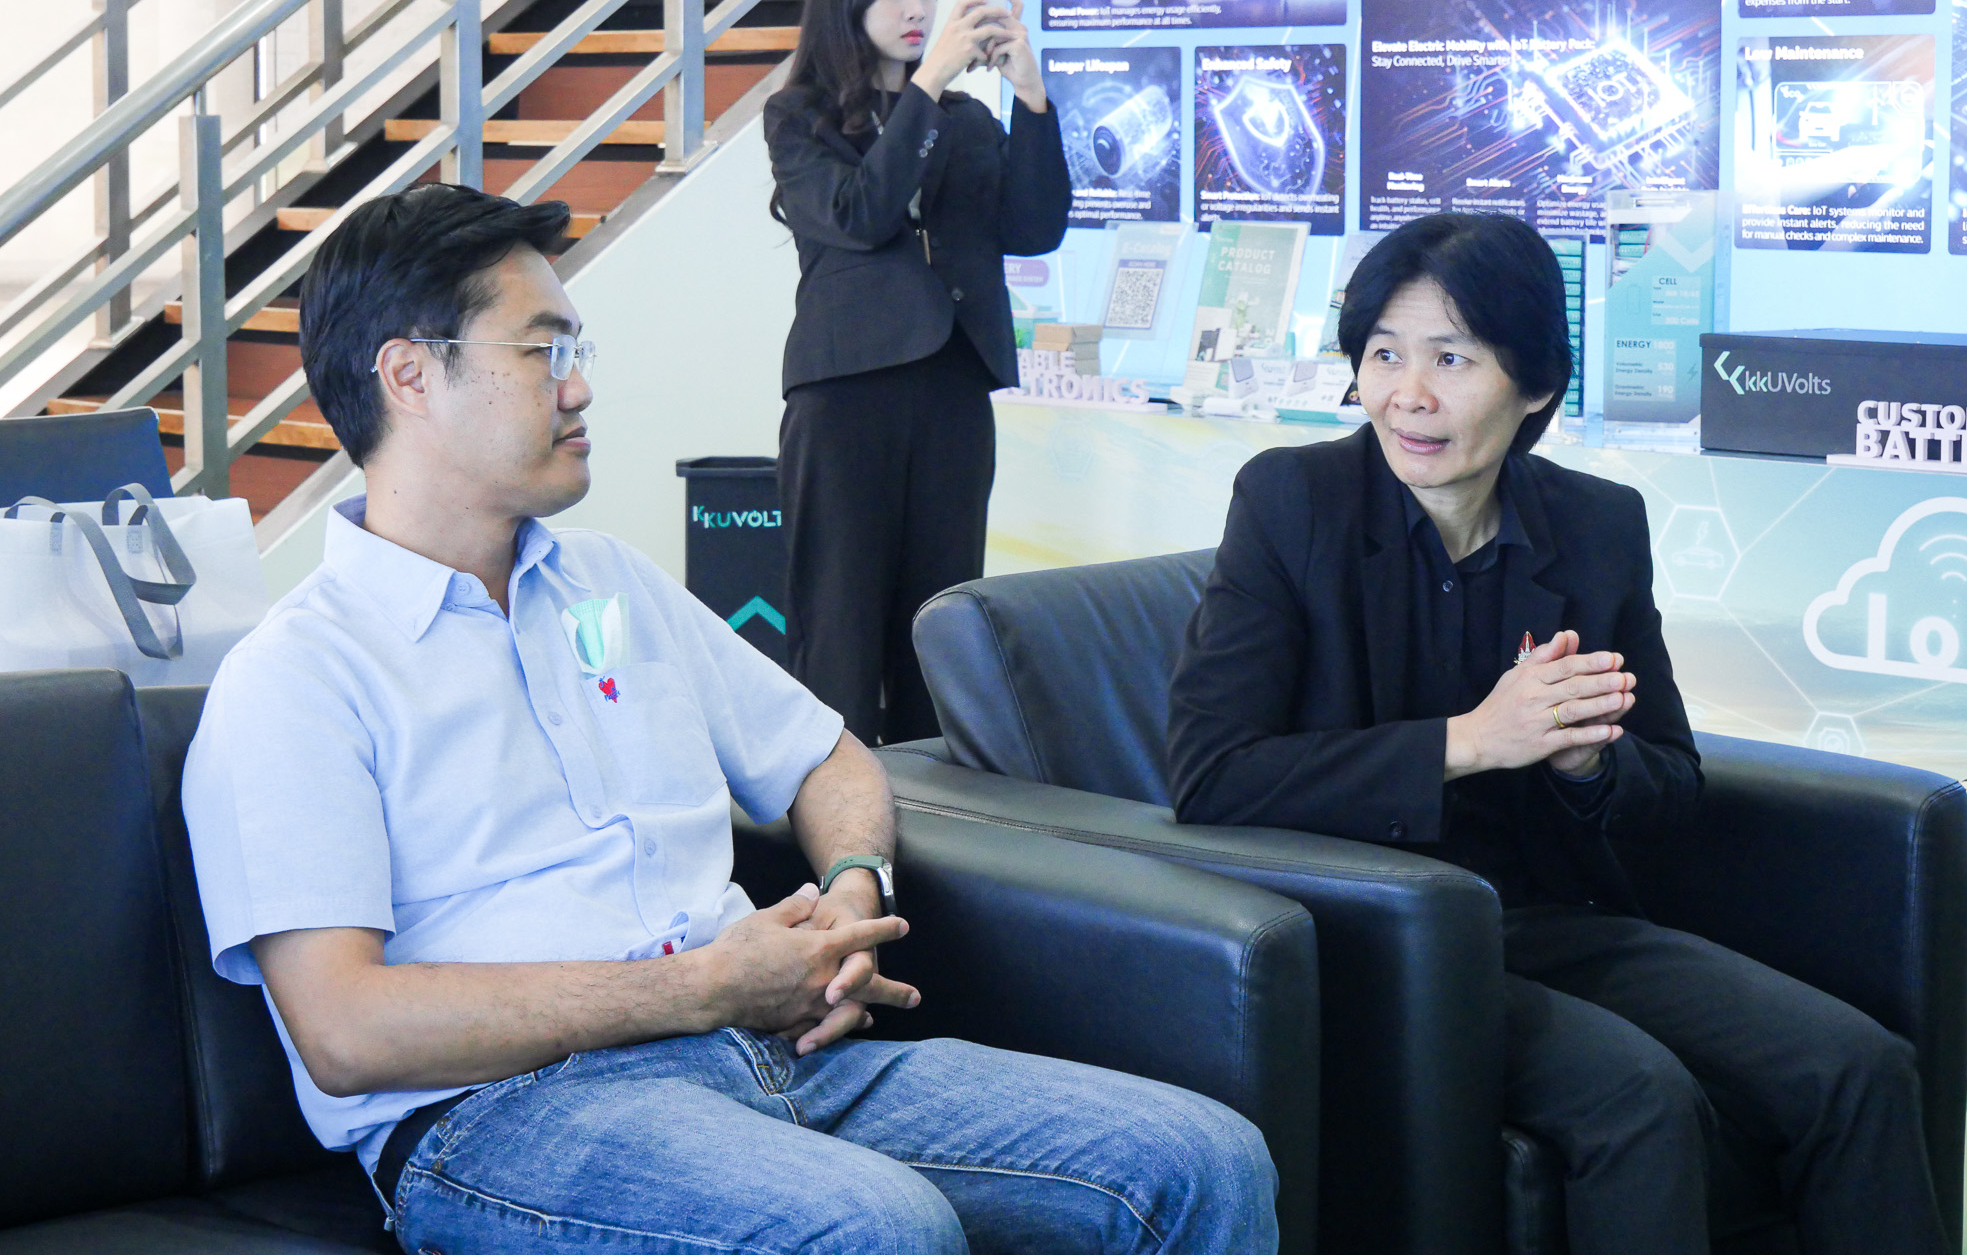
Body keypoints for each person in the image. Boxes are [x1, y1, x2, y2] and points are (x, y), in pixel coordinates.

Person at [181, 183, 1276, 1255]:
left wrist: (853, 899)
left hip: (772, 1053)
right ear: (410, 376)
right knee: (871, 1228)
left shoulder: (608, 581)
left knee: (1198, 1159)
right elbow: (345, 1031)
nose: (579, 388)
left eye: (578, 352)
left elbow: (826, 756)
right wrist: (701, 986)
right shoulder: (298, 676)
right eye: (544, 352)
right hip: (505, 1116)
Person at [1165, 212, 1949, 1255]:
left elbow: (1671, 781)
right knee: (1639, 1099)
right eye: (1384, 355)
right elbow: (1212, 775)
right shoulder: (1290, 502)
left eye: (1451, 359)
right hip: (1380, 930)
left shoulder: (1596, 526)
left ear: (1534, 384)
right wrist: (1469, 740)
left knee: (1857, 1067)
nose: (1407, 394)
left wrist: (1589, 763)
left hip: (1551, 917)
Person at [766, 0, 1070, 745]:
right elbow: (861, 215)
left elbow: (1034, 227)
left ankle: (933, 805)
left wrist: (1032, 97)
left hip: (953, 388)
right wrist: (929, 82)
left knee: (941, 618)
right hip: (846, 395)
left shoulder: (966, 120)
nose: (917, 9)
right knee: (839, 618)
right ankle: (834, 812)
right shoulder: (798, 118)